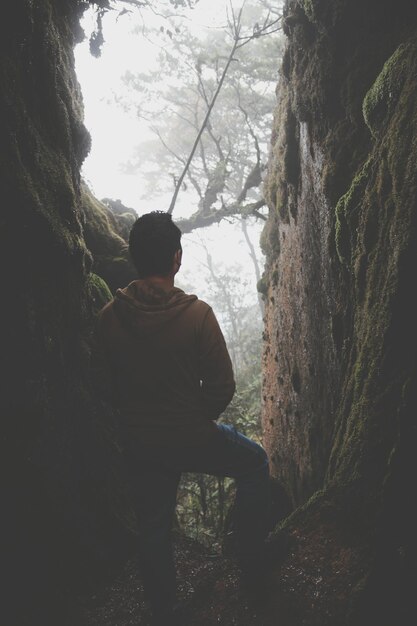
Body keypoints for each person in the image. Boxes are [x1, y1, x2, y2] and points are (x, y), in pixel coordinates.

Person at [97, 211, 271, 625]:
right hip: (191, 435)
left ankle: (164, 612)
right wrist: (194, 420)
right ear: (177, 258)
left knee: (153, 525)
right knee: (255, 463)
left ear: (135, 258)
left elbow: (101, 385)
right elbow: (222, 387)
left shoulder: (108, 318)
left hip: (139, 441)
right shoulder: (197, 316)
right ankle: (251, 562)